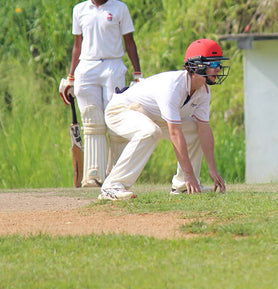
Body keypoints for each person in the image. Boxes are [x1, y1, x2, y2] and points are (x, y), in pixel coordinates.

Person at [97, 39, 229, 201]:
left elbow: (204, 130)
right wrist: (190, 174)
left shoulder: (203, 92)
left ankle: (182, 186)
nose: (218, 69)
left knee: (194, 130)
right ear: (197, 65)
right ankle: (112, 187)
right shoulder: (173, 87)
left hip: (153, 115)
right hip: (121, 110)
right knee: (150, 132)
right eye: (214, 65)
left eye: (219, 65)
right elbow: (175, 133)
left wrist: (212, 169)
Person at [58, 0, 143, 188]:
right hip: (87, 67)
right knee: (92, 120)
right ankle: (93, 175)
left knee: (114, 118)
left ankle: (115, 173)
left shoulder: (119, 8)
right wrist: (71, 76)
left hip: (113, 66)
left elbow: (129, 41)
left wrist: (137, 73)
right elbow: (77, 44)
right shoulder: (79, 10)